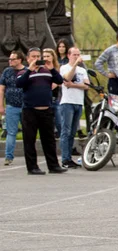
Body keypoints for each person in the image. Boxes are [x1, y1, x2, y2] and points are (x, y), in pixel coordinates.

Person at [15, 47, 66, 175]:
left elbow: (60, 80)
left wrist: (52, 69)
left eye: (38, 56)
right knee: (30, 140)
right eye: (33, 56)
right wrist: (30, 70)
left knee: (49, 139)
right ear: (27, 59)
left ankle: (53, 165)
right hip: (30, 110)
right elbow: (19, 84)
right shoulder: (24, 72)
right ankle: (32, 167)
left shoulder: (47, 71)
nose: (36, 59)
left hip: (46, 110)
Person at [59, 47, 89, 168]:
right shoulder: (64, 67)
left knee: (72, 132)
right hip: (67, 102)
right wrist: (75, 64)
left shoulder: (82, 70)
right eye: (74, 54)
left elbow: (87, 85)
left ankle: (69, 156)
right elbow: (66, 79)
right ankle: (65, 158)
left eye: (78, 54)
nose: (76, 56)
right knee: (65, 131)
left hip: (78, 102)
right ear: (69, 55)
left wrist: (74, 85)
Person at [0, 50, 26, 166]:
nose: (10, 61)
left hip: (26, 106)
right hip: (11, 106)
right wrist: (1, 105)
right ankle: (8, 156)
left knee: (28, 132)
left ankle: (30, 155)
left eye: (12, 59)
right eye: (9, 59)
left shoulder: (26, 71)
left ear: (19, 60)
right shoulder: (7, 71)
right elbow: (1, 89)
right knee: (11, 132)